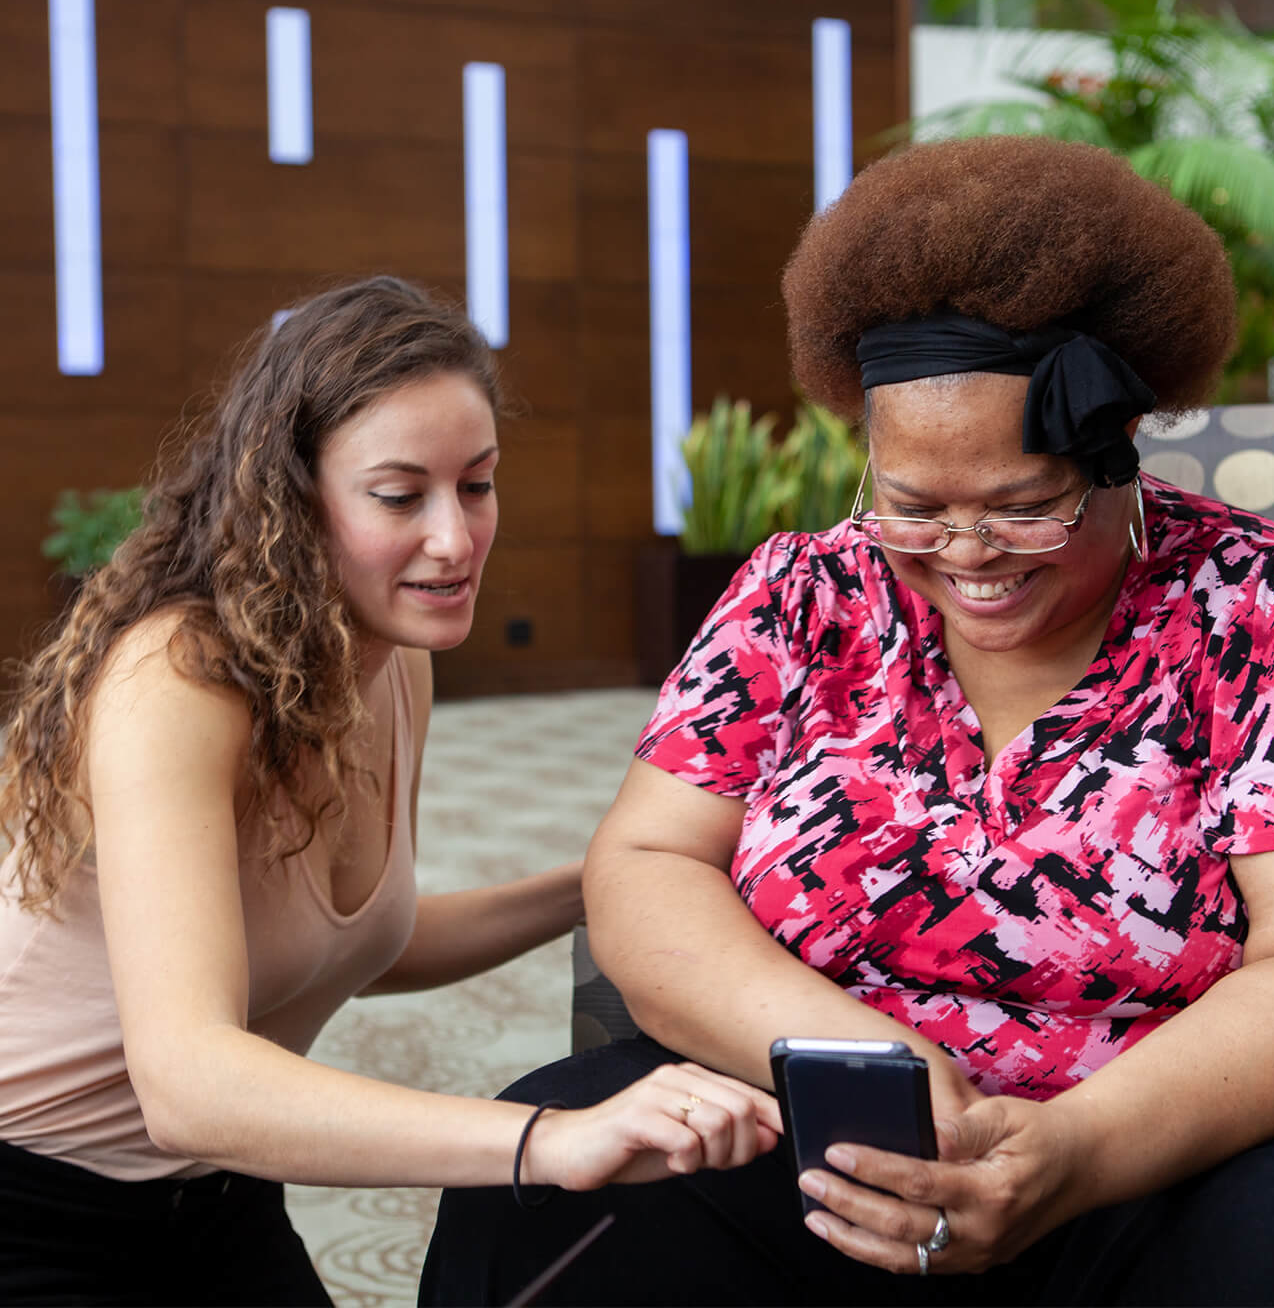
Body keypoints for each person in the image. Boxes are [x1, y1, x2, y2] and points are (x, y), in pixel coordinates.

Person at [421, 138, 1274, 1307]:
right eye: (912, 506)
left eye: (1024, 506)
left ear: (1117, 450)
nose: (967, 555)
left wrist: (1074, 1149)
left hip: (1162, 1162)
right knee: (547, 1163)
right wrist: (871, 1062)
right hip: (824, 1144)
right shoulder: (803, 593)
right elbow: (646, 857)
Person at [0, 276, 780, 1306]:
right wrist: (548, 1139)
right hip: (34, 1197)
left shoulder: (387, 659)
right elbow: (188, 1084)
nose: (454, 540)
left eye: (478, 483)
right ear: (290, 493)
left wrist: (616, 874)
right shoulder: (178, 678)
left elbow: (369, 939)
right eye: (399, 494)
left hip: (217, 1194)